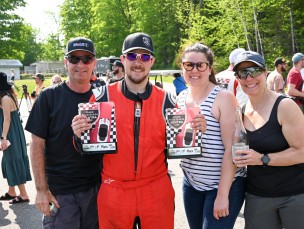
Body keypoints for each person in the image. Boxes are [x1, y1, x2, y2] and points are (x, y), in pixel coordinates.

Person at [71, 32, 206, 229]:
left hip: (156, 189)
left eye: (144, 57)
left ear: (152, 61)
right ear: (123, 59)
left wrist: (196, 130)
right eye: (133, 56)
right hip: (114, 188)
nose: (138, 62)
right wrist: (78, 134)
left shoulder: (168, 100)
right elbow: (84, 148)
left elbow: (176, 148)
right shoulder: (103, 96)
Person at [232, 51, 304, 229]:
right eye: (242, 73)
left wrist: (262, 159)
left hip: (295, 194)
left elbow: (303, 153)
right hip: (258, 195)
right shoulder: (241, 111)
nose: (249, 77)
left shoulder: (284, 105)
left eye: (254, 70)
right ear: (238, 79)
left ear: (265, 72)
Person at [25, 37, 102, 228]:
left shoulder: (103, 96)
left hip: (96, 190)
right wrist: (41, 190)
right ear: (65, 62)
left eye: (86, 58)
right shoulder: (48, 97)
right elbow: (36, 145)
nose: (81, 64)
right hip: (61, 194)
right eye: (74, 59)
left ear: (94, 62)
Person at [177, 42, 246, 229]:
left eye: (201, 65)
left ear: (210, 69)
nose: (194, 70)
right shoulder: (181, 97)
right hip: (191, 183)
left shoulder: (223, 98)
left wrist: (223, 195)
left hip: (223, 186)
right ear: (182, 67)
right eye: (189, 65)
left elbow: (233, 148)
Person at [0, 72, 32, 204]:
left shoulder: (5, 99)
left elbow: (7, 120)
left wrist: (3, 137)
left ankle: (23, 194)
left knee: (13, 160)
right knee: (9, 160)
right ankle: (12, 191)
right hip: (13, 132)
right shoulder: (8, 95)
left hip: (10, 133)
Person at [286, 53, 304, 120]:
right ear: (300, 62)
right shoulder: (295, 73)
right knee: (301, 126)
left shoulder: (295, 72)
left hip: (298, 103)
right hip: (297, 104)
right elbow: (290, 90)